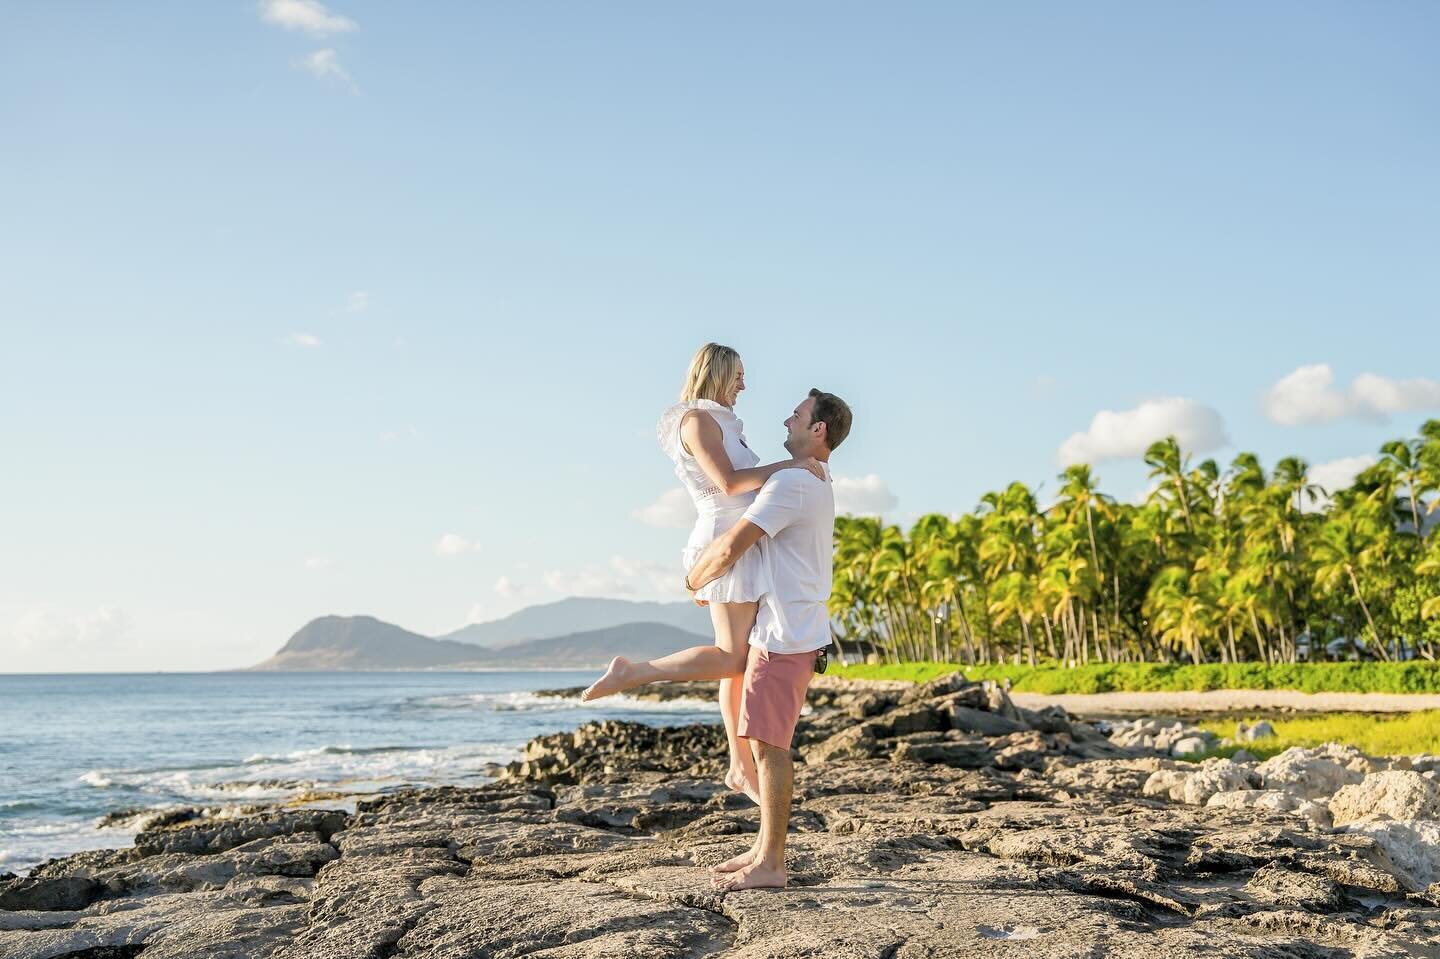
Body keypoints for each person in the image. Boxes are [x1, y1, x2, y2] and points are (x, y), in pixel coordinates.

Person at [580, 344, 823, 804]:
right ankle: (635, 672)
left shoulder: (725, 421)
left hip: (746, 543)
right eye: (739, 375)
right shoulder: (695, 421)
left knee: (742, 661)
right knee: (732, 658)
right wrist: (790, 466)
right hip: (723, 541)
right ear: (717, 373)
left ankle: (738, 765)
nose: (745, 385)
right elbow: (729, 484)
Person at [686, 388, 852, 891]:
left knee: (768, 746)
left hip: (784, 633)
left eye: (798, 415)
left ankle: (773, 863)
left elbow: (734, 544)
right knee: (763, 742)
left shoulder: (792, 484)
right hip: (790, 629)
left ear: (817, 429)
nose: (787, 419)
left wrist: (695, 580)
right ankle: (763, 849)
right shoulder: (811, 479)